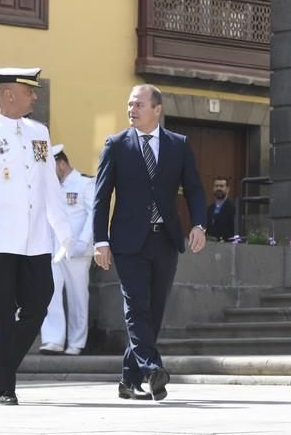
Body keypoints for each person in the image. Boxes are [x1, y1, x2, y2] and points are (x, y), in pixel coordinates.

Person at [0, 67, 74, 406]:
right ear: (9, 94)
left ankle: (5, 364)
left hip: (35, 240)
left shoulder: (39, 133)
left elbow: (50, 188)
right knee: (1, 314)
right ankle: (6, 385)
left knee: (40, 301)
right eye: (29, 91)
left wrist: (64, 234)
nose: (35, 96)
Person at [93, 84, 207, 401]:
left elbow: (195, 189)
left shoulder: (178, 145)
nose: (132, 109)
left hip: (166, 240)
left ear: (157, 109)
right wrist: (100, 240)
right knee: (136, 308)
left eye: (139, 104)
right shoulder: (115, 145)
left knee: (153, 312)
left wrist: (199, 224)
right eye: (129, 104)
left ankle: (128, 380)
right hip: (128, 242)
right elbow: (101, 197)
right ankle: (153, 369)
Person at [40, 144, 95, 356]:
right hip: (54, 250)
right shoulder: (52, 188)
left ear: (61, 164)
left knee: (78, 297)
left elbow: (92, 215)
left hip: (77, 252)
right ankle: (53, 339)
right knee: (50, 294)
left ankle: (76, 342)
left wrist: (83, 242)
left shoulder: (85, 183)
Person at [206, 176, 236, 242]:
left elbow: (236, 233)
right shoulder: (209, 209)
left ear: (228, 189)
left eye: (221, 186)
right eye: (216, 186)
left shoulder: (233, 209)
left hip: (227, 248)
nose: (218, 188)